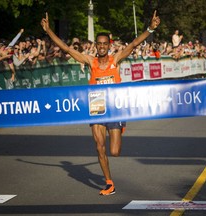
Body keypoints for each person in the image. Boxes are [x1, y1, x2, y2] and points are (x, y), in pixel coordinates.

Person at [41, 11, 160, 195]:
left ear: (109, 45)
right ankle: (109, 183)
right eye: (100, 44)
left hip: (115, 109)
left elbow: (135, 43)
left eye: (105, 44)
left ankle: (120, 127)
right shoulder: (90, 61)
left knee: (115, 151)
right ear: (96, 45)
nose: (102, 47)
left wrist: (150, 28)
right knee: (99, 146)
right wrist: (48, 31)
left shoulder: (116, 60)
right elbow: (66, 49)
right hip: (96, 108)